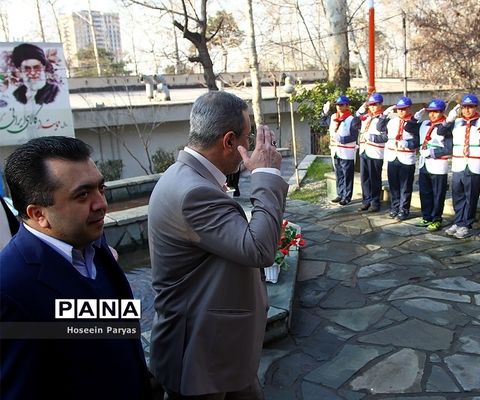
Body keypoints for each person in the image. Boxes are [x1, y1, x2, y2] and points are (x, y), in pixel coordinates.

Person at [148, 91, 288, 399]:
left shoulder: (188, 175)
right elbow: (259, 249)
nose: (251, 147)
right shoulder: (194, 191)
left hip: (218, 349)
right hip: (200, 357)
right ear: (228, 141)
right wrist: (266, 174)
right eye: (248, 138)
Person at [0, 136, 151, 400]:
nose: (101, 204)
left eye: (100, 189)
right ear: (38, 214)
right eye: (82, 195)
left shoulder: (94, 245)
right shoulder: (10, 289)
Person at [443, 94, 480, 239]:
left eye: (470, 107)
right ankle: (458, 221)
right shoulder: (457, 122)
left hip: (474, 164)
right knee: (457, 195)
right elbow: (441, 132)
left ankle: (466, 224)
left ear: (476, 107)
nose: (467, 110)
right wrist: (449, 120)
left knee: (470, 195)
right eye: (464, 107)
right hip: (459, 164)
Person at [381, 96, 421, 220]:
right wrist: (383, 116)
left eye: (404, 109)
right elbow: (380, 129)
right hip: (393, 156)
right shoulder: (392, 121)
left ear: (409, 108)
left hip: (406, 157)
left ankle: (404, 210)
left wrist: (408, 144)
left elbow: (417, 141)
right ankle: (395, 207)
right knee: (393, 185)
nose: (401, 111)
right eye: (399, 109)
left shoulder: (415, 122)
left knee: (405, 187)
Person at [416, 99, 451, 231]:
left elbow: (449, 148)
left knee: (438, 193)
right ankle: (426, 216)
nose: (433, 115)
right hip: (424, 164)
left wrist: (432, 152)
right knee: (424, 191)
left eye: (436, 112)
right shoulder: (425, 124)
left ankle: (436, 218)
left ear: (442, 112)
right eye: (431, 112)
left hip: (437, 165)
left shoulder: (446, 127)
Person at [323, 95, 360, 205]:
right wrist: (324, 114)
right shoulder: (334, 116)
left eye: (341, 105)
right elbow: (324, 123)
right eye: (337, 105)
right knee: (339, 173)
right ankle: (340, 194)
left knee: (347, 175)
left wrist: (342, 139)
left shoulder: (351, 119)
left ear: (347, 106)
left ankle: (347, 196)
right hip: (335, 151)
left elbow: (354, 136)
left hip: (346, 152)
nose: (339, 107)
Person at [356, 92, 387, 212]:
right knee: (364, 178)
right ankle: (366, 200)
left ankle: (375, 202)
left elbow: (385, 137)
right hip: (364, 150)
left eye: (375, 104)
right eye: (370, 105)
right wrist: (360, 111)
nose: (372, 107)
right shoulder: (366, 117)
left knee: (374, 178)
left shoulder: (383, 118)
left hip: (375, 151)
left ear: (380, 104)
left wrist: (372, 137)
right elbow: (354, 123)